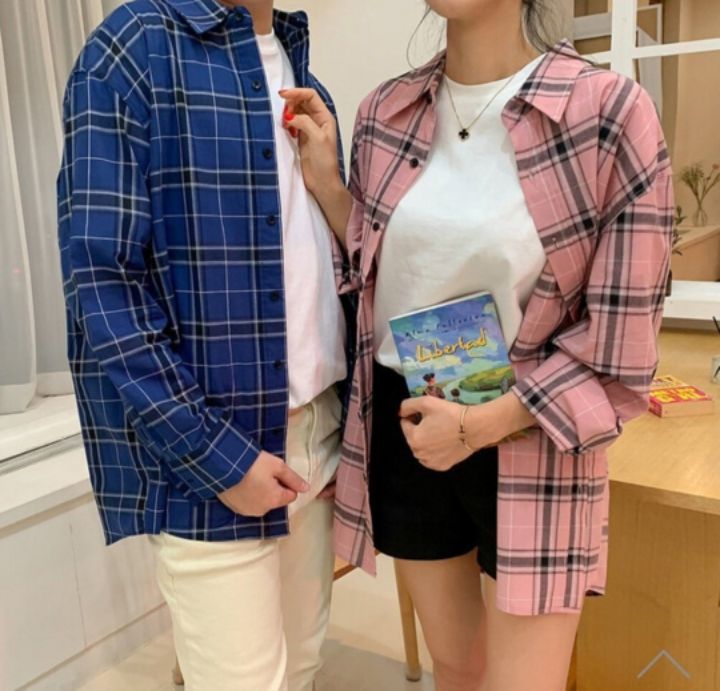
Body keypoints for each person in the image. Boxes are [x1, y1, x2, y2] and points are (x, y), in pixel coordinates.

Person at [280, 0, 673, 688]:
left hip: (530, 429)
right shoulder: (385, 113)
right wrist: (329, 185)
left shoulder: (607, 113)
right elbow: (379, 270)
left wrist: (477, 426)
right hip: (409, 418)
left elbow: (622, 347)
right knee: (457, 667)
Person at [57, 1, 351, 689]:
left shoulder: (301, 70)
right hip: (216, 457)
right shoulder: (133, 49)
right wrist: (217, 458)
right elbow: (104, 288)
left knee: (302, 667)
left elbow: (322, 270)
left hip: (319, 436)